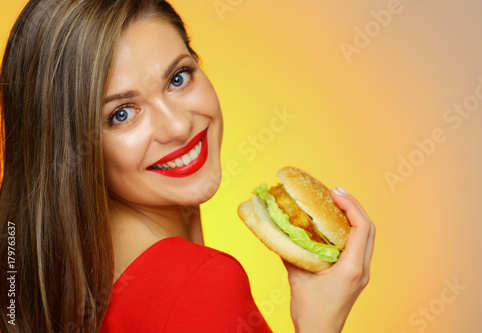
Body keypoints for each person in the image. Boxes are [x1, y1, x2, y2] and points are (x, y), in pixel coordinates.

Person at [0, 0, 375, 332]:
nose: (178, 126)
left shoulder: (52, 284)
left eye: (178, 78)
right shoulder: (201, 283)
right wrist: (320, 324)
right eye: (122, 113)